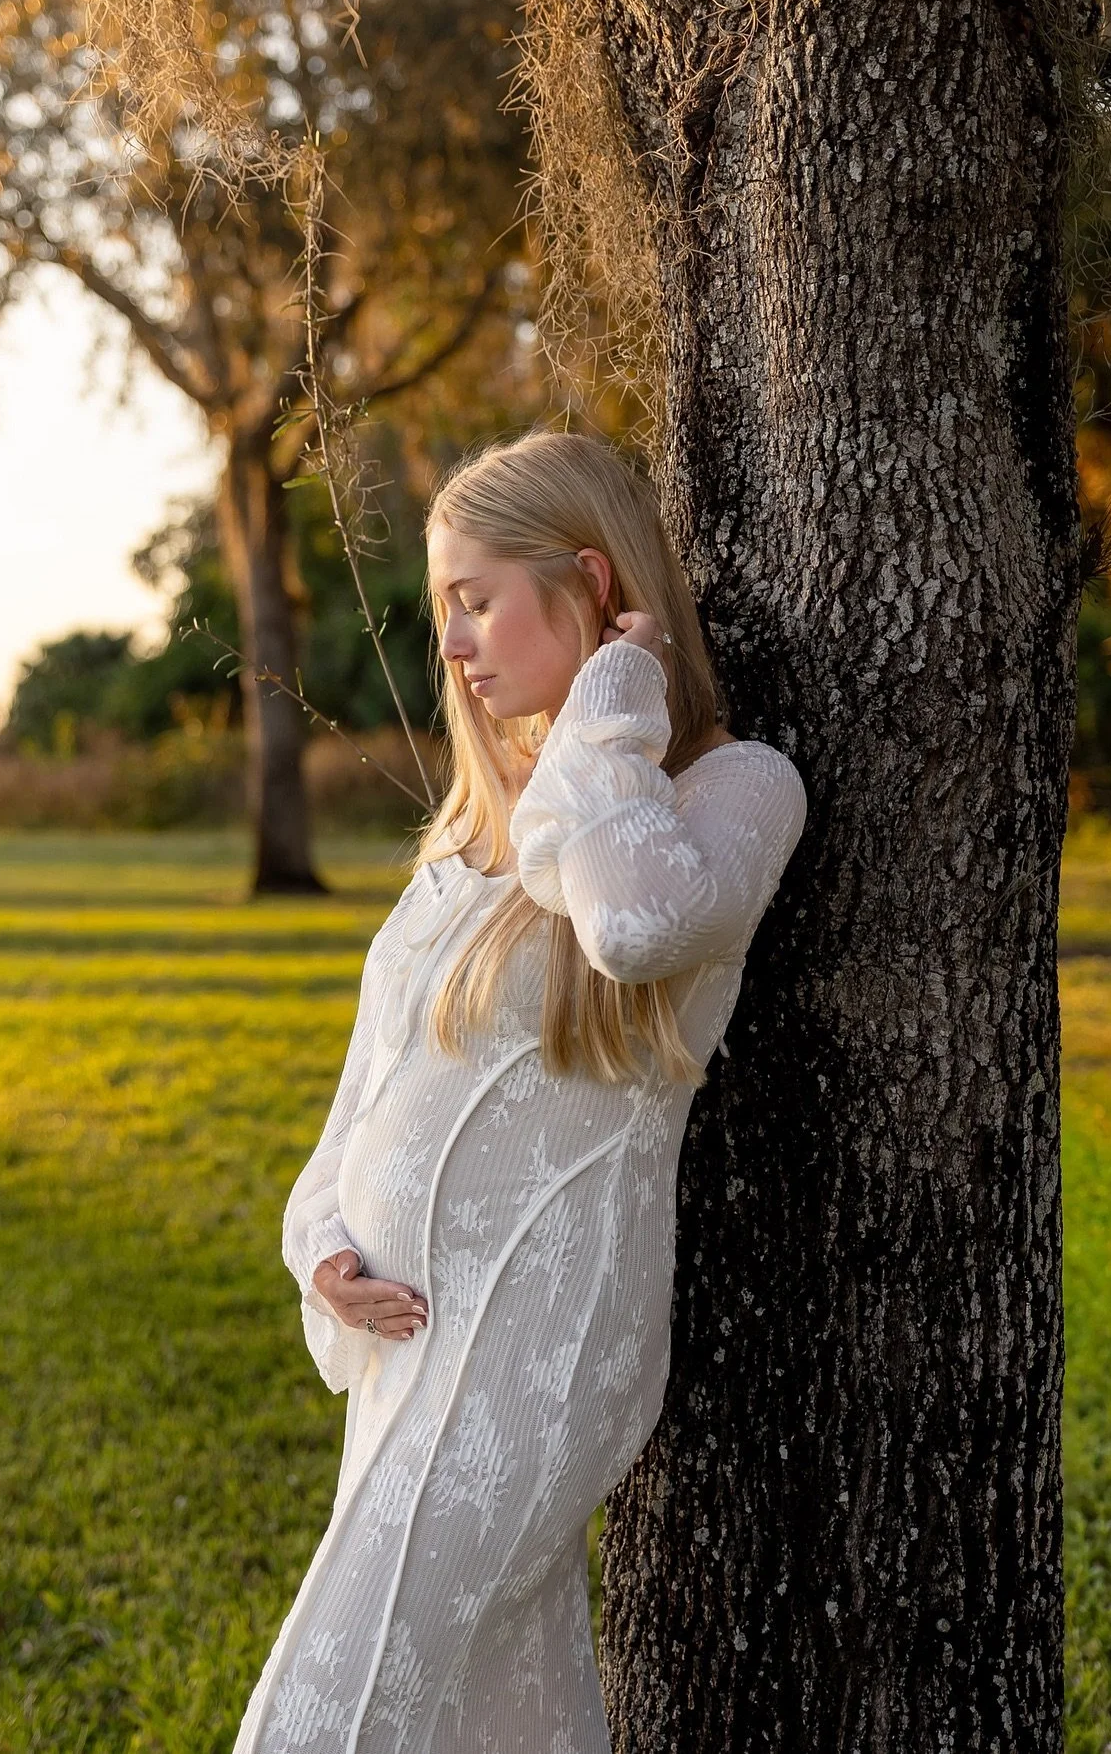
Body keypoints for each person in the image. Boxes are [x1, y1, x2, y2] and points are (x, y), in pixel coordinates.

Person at [233, 429, 808, 1754]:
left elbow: (634, 927)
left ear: (593, 584)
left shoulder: (731, 790)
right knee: (496, 1706)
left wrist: (616, 697)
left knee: (336, 1704)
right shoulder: (471, 837)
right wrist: (322, 1245)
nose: (453, 646)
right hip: (409, 1343)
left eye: (475, 600)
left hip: (538, 1349)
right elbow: (360, 1106)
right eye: (445, 610)